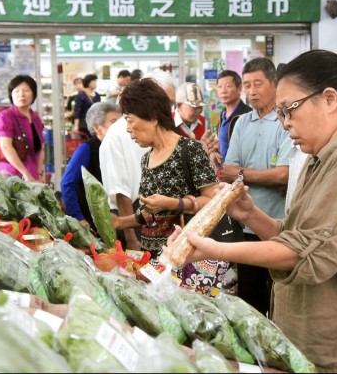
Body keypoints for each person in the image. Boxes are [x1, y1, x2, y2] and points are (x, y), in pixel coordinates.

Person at [165, 49, 337, 372]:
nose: (286, 124)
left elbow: (310, 254)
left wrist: (214, 249)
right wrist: (250, 215)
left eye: (289, 110)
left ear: (329, 99)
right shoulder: (326, 156)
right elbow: (299, 236)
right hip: (323, 337)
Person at [113, 77, 228, 296]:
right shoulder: (145, 159)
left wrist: (174, 203)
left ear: (152, 117)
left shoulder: (190, 150)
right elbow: (150, 214)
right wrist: (120, 222)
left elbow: (214, 202)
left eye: (130, 120)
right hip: (153, 263)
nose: (128, 129)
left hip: (185, 261)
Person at [220, 57, 292, 316]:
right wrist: (262, 175)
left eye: (257, 84)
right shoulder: (242, 123)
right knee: (249, 302)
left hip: (278, 225)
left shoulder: (286, 122)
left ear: (274, 83)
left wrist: (241, 174)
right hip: (244, 226)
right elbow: (227, 173)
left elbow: (283, 175)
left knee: (279, 298)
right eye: (247, 85)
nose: (251, 91)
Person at [99, 70, 178, 250]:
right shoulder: (118, 134)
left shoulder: (165, 134)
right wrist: (132, 238)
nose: (170, 110)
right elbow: (121, 193)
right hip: (132, 220)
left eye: (172, 104)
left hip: (159, 216)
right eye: (168, 103)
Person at [61, 101, 121, 232]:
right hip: (92, 223)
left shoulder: (117, 148)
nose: (120, 126)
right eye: (114, 122)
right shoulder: (86, 149)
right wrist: (78, 218)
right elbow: (67, 183)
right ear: (97, 127)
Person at [0, 74, 45, 182]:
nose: (21, 94)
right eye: (16, 91)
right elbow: (6, 147)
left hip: (33, 175)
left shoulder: (36, 119)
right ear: (11, 95)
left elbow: (40, 148)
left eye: (26, 90)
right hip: (10, 175)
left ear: (33, 94)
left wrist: (40, 173)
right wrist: (25, 173)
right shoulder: (5, 116)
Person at [213, 70, 252, 168]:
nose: (223, 91)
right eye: (220, 87)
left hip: (240, 173)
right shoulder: (222, 114)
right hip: (224, 172)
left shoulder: (248, 114)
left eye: (228, 86)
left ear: (239, 88)